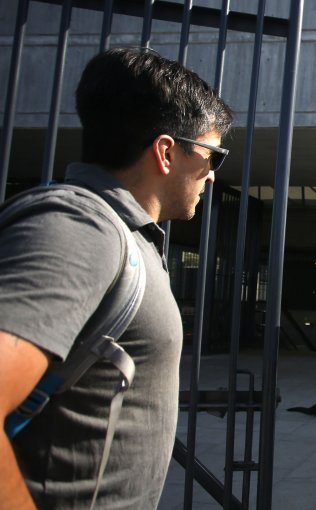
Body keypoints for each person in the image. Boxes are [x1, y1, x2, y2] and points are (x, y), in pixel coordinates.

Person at [0, 47, 233, 508]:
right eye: (213, 155)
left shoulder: (127, 234)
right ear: (166, 152)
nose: (211, 176)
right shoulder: (79, 227)